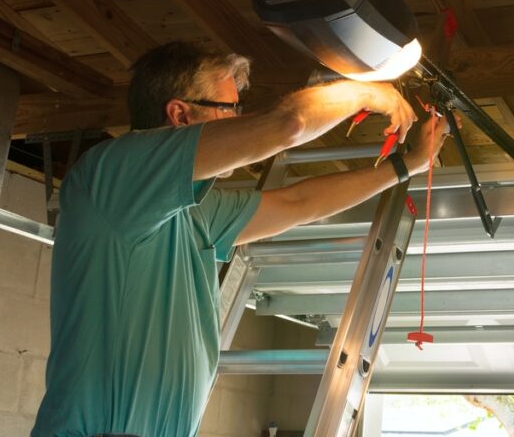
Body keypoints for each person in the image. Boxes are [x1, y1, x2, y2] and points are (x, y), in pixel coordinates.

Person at [31, 41, 450, 437]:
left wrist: (406, 166)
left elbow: (298, 203)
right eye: (228, 108)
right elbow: (288, 124)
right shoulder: (113, 176)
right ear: (180, 115)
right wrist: (367, 93)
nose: (237, 120)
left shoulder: (194, 211)